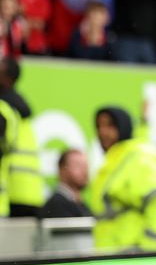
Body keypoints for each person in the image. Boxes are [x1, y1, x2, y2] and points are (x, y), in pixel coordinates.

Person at [89, 106, 156, 251]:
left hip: (132, 264)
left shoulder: (136, 158)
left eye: (110, 125)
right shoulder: (115, 161)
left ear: (123, 127)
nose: (102, 132)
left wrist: (148, 255)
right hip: (115, 262)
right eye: (99, 126)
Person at [0, 57, 44, 217]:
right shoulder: (18, 109)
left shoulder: (5, 110)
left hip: (13, 194)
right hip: (26, 193)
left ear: (7, 78)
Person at [40, 149, 92, 218]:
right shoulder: (57, 205)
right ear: (62, 170)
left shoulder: (81, 205)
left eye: (85, 166)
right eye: (78, 165)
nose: (84, 171)